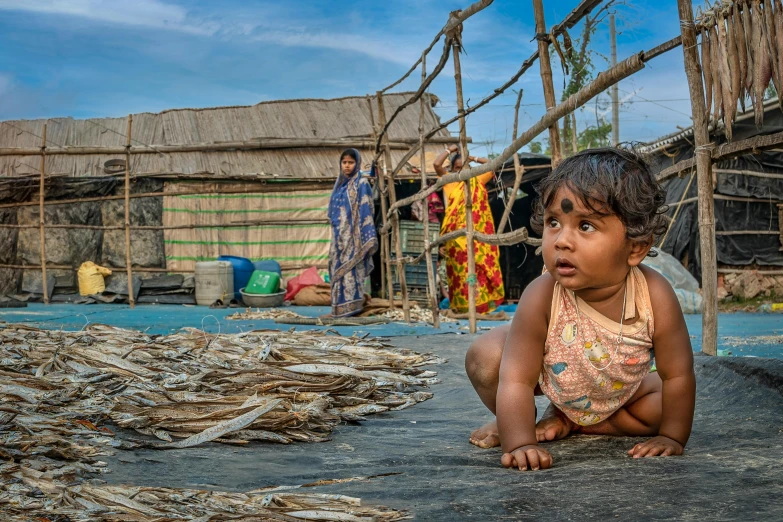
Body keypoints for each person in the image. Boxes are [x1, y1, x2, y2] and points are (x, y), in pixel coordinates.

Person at [464, 147, 696, 471]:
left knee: (666, 402)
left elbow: (677, 374)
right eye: (553, 222)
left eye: (585, 226)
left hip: (622, 392)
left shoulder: (654, 295)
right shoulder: (542, 295)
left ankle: (577, 423)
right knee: (485, 357)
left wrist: (673, 437)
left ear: (636, 247)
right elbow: (516, 379)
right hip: (555, 381)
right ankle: (517, 421)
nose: (561, 241)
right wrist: (520, 442)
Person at [433, 144, 504, 314]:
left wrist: (473, 158)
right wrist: (450, 150)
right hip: (456, 239)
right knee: (460, 273)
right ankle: (462, 307)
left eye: (465, 168)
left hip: (478, 238)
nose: (462, 172)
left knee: (480, 270)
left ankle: (480, 308)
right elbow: (436, 165)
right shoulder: (450, 181)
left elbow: (494, 164)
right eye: (458, 168)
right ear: (452, 169)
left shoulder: (477, 180)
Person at [327, 149, 378, 317]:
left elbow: (367, 208)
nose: (347, 166)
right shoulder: (339, 185)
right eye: (344, 162)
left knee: (351, 272)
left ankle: (353, 308)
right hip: (338, 238)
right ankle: (337, 308)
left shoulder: (362, 184)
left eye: (350, 162)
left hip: (354, 239)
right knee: (337, 270)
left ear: (357, 164)